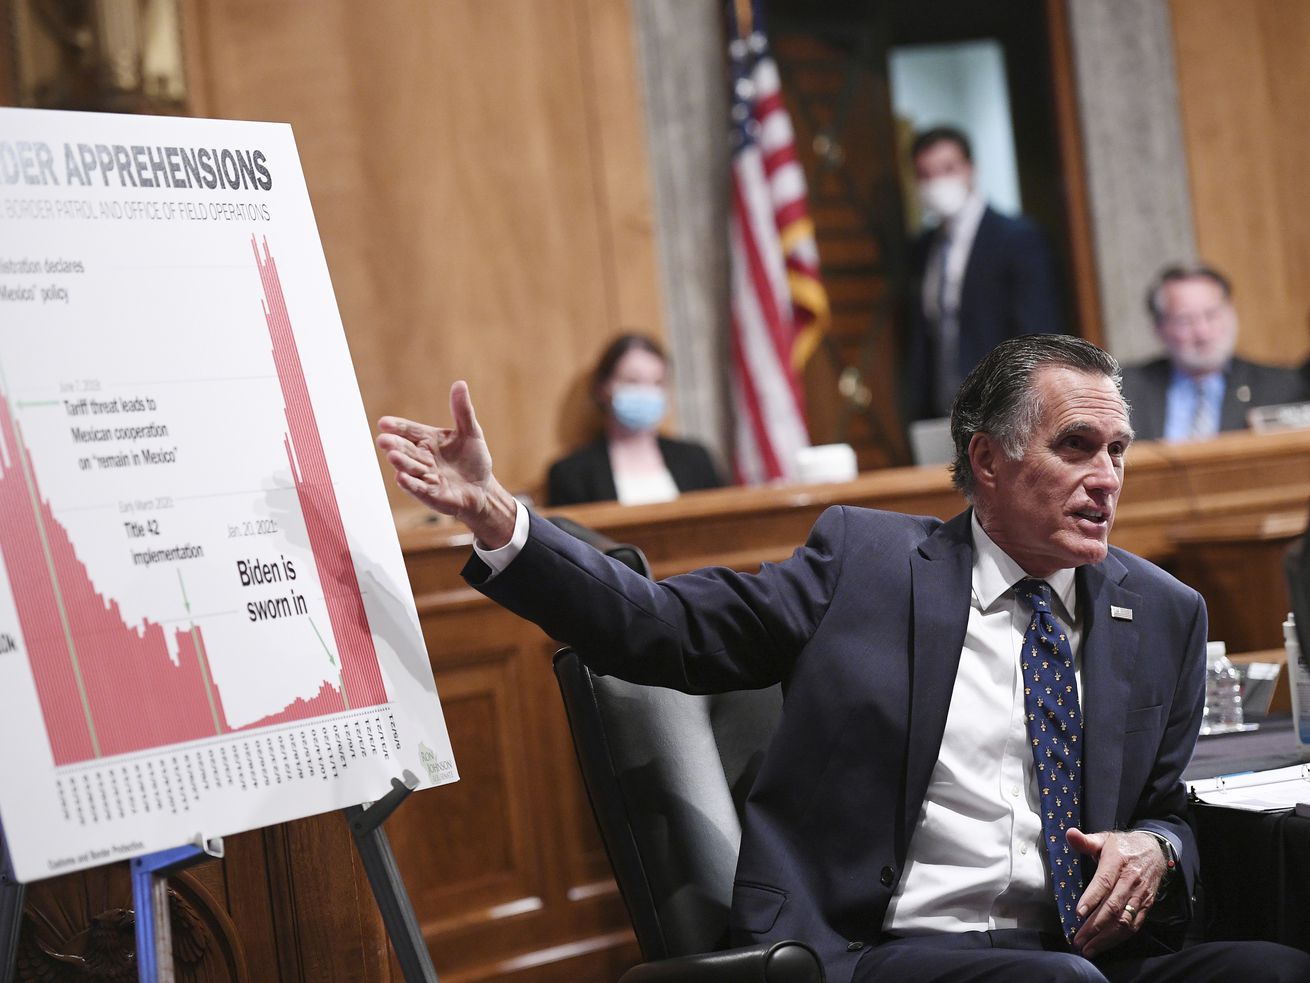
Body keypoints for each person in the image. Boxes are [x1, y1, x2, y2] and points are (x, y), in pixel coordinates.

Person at [376, 335, 1310, 982]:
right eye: (1076, 447)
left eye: (1117, 449)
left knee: (1274, 965)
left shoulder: (1162, 611)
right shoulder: (864, 565)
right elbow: (660, 625)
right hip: (888, 950)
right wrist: (502, 521)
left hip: (1085, 952)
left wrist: (1155, 846)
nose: (1106, 477)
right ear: (987, 460)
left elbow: (1168, 809)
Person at [904, 126, 1063, 423]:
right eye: (926, 174)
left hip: (1005, 411)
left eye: (948, 168)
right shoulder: (923, 249)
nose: (937, 182)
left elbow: (1038, 336)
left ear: (970, 169)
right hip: (944, 414)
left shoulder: (1017, 239)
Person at [1120, 263, 1305, 441]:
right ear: (1159, 328)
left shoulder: (1280, 387)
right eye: (1185, 320)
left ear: (1231, 314)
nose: (1203, 332)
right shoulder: (1124, 390)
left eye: (1212, 315)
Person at [546, 333, 723, 506]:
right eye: (632, 381)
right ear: (602, 388)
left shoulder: (696, 459)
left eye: (657, 383)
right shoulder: (571, 473)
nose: (646, 393)